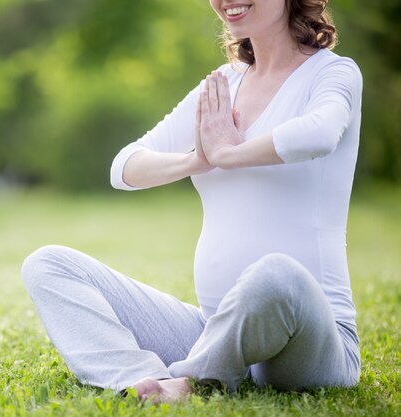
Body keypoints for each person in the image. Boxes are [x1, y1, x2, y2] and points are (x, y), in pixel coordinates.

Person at [22, 0, 362, 403]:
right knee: (49, 264)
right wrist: (196, 160)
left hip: (308, 339)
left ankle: (194, 378)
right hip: (210, 328)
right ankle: (142, 380)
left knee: (275, 274)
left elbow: (318, 135)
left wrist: (227, 155)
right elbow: (125, 167)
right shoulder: (222, 84)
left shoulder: (333, 72)